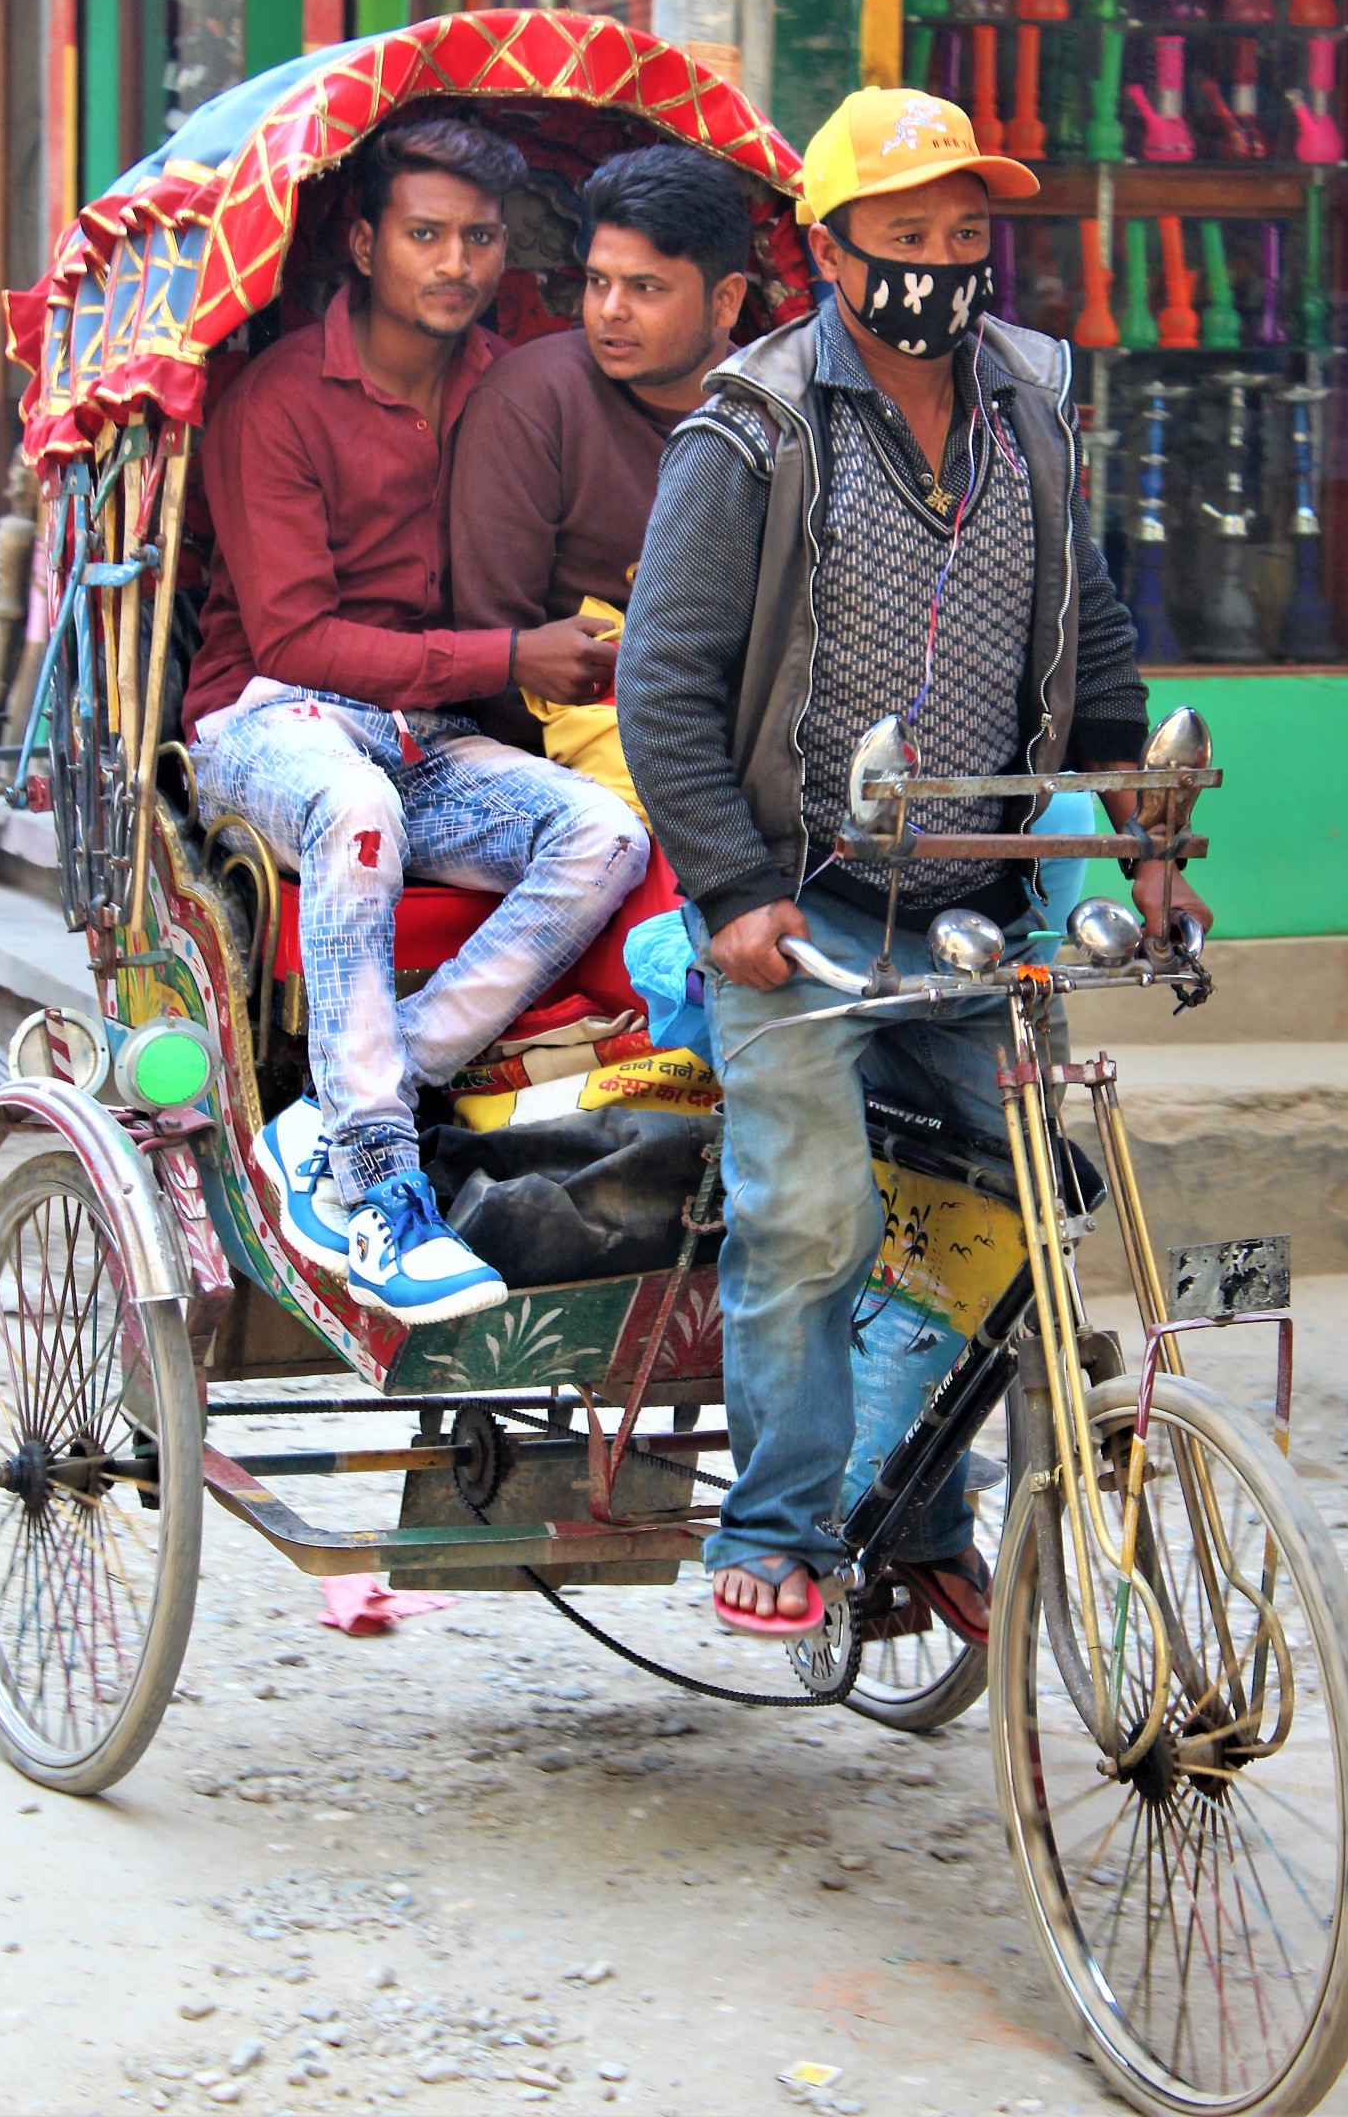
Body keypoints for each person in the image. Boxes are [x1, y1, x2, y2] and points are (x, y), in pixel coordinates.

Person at [616, 87, 1210, 1636]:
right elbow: (663, 685)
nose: (941, 265)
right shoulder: (748, 430)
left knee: (1003, 1222)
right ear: (828, 248)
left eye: (965, 235)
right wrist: (733, 894)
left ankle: (917, 1513)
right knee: (812, 1219)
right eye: (905, 237)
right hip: (803, 908)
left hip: (981, 899)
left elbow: (1093, 658)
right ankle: (780, 1529)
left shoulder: (1029, 406)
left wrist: (1146, 851)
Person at [182, 115, 649, 1325]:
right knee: (357, 811)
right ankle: (385, 1186)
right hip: (269, 723)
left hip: (431, 733)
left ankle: (344, 1111)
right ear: (365, 242)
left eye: (480, 239)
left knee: (605, 836)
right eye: (427, 235)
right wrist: (507, 653)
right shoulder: (279, 402)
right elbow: (291, 638)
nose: (455, 264)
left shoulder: (517, 384)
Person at [448, 143, 752, 816]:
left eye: (645, 288)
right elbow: (492, 641)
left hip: (755, 725)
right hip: (577, 752)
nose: (610, 310)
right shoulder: (532, 398)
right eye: (597, 282)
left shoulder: (775, 412)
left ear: (726, 300)